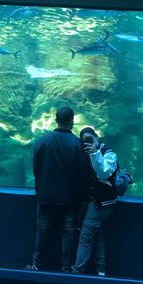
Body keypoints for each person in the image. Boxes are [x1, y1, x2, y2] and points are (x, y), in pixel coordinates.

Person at [26, 107, 88, 273]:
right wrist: (83, 199)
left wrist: (41, 189)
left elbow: (35, 169)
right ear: (72, 121)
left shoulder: (41, 141)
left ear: (56, 120)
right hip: (70, 200)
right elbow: (83, 175)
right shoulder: (77, 145)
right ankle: (66, 268)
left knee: (42, 231)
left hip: (46, 197)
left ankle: (36, 265)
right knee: (69, 234)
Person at [71, 127, 118, 276]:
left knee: (86, 236)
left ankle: (77, 271)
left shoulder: (109, 153)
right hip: (94, 202)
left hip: (104, 203)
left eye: (91, 139)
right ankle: (101, 271)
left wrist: (95, 153)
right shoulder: (86, 154)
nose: (89, 143)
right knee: (96, 235)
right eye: (85, 141)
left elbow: (103, 173)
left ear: (96, 137)